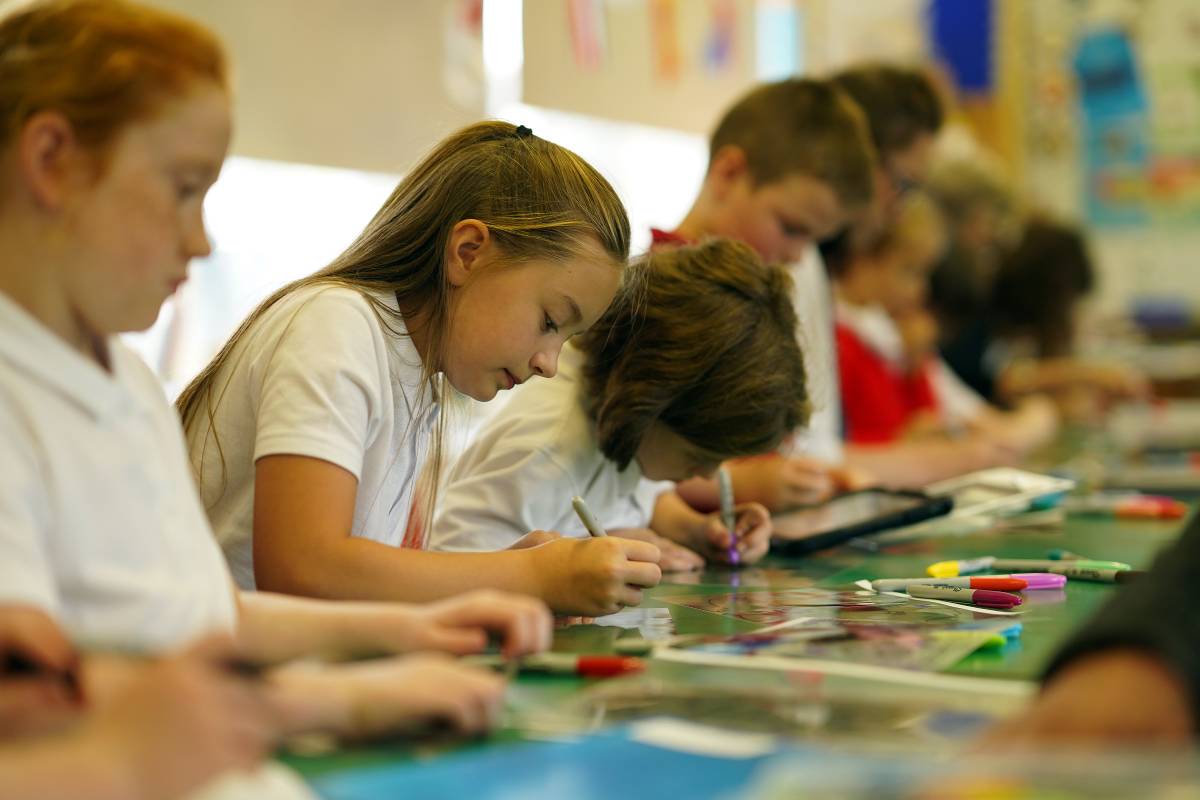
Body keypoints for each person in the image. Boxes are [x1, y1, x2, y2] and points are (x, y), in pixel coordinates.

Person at [0, 0, 551, 779]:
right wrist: (322, 702)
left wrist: (403, 634)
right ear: (52, 158)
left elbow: (191, 614)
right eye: (183, 189)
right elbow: (37, 700)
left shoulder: (120, 378)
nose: (201, 239)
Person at [176, 116, 664, 617]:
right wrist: (527, 577)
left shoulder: (415, 374)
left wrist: (498, 581)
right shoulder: (337, 324)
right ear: (468, 253)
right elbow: (304, 569)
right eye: (550, 320)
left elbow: (357, 579)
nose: (549, 364)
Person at [431, 239, 807, 573]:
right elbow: (449, 563)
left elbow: (634, 494)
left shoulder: (620, 416)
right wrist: (567, 570)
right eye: (697, 455)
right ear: (649, 403)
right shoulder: (545, 447)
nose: (708, 476)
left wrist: (698, 530)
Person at [650, 77, 877, 512]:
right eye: (791, 228)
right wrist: (739, 484)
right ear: (729, 174)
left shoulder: (760, 297)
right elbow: (617, 471)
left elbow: (788, 443)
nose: (795, 256)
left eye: (811, 241)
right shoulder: (654, 294)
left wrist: (815, 478)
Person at [833, 193, 1056, 455]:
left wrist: (917, 371)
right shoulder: (847, 338)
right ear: (862, 261)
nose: (921, 291)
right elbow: (865, 443)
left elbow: (935, 420)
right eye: (910, 271)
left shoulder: (887, 335)